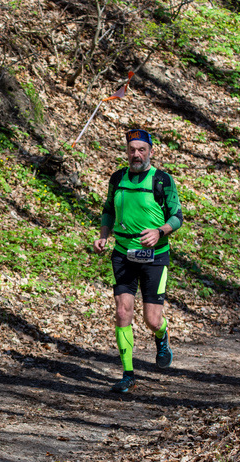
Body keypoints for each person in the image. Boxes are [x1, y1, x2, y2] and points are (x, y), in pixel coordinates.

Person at [93, 129, 183, 393]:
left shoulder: (162, 180)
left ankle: (162, 335)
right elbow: (109, 209)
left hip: (155, 257)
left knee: (152, 320)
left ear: (150, 152)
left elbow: (177, 216)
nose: (136, 154)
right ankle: (127, 374)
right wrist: (103, 236)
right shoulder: (118, 178)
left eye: (142, 149)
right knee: (122, 311)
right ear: (127, 152)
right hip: (123, 253)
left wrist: (160, 231)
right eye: (132, 149)